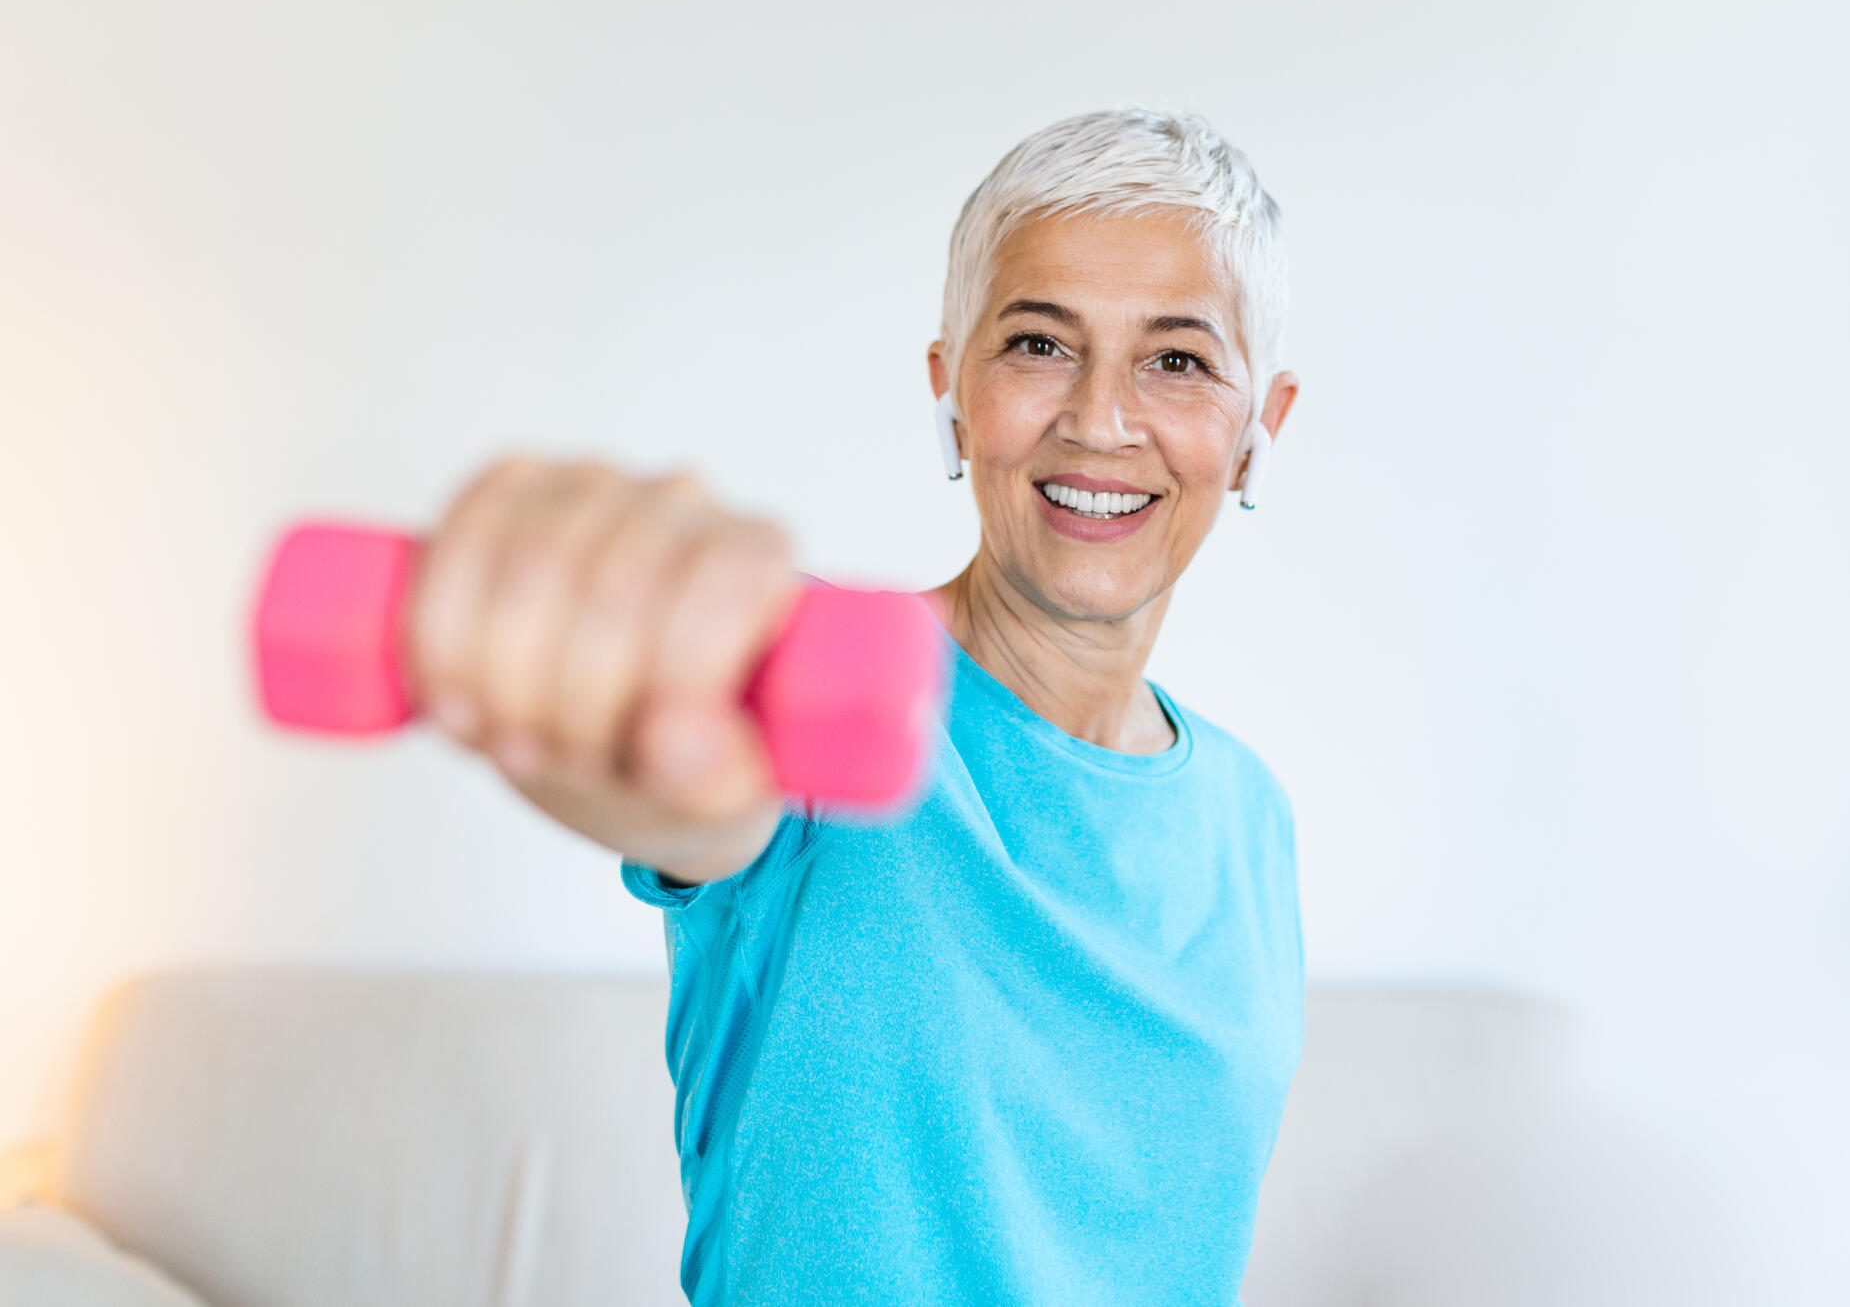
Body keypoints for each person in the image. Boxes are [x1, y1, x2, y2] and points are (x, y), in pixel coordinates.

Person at [404, 106, 1303, 1306]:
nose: (1097, 418)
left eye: (1176, 360)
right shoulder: (807, 674)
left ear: (1256, 431)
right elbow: (687, 789)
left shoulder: (1249, 815)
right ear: (952, 385)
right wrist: (600, 702)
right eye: (1038, 344)